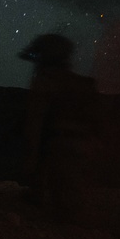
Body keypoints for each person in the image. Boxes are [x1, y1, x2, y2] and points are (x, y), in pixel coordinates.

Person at [18, 34, 101, 221]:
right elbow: (96, 123)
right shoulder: (85, 85)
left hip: (59, 150)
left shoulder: (45, 83)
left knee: (59, 213)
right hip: (86, 149)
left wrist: (30, 164)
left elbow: (34, 126)